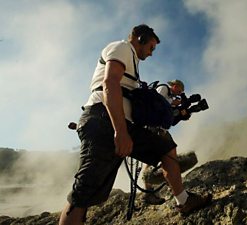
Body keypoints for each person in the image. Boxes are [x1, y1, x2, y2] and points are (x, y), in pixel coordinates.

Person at [58, 24, 211, 225]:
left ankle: (184, 201)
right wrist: (120, 132)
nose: (152, 53)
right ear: (140, 39)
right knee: (84, 190)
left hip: (120, 123)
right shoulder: (121, 48)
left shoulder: (132, 62)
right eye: (151, 47)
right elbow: (110, 83)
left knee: (166, 149)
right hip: (102, 120)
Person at [141, 79, 185, 205]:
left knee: (156, 158)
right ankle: (150, 192)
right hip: (153, 128)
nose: (179, 94)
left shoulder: (168, 94)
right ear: (175, 86)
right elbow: (157, 102)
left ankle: (150, 192)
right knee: (162, 157)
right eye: (179, 91)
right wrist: (173, 102)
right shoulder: (164, 88)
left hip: (155, 127)